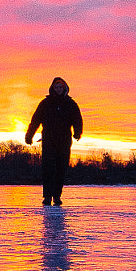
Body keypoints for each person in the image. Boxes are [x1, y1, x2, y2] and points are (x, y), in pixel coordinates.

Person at [24, 76, 83, 205]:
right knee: (48, 169)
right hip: (48, 140)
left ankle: (57, 196)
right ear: (52, 88)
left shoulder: (70, 104)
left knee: (61, 169)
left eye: (60, 87)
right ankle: (47, 196)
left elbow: (77, 119)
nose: (58, 89)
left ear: (64, 88)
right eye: (56, 87)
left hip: (64, 141)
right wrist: (29, 135)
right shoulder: (45, 103)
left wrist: (78, 132)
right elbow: (35, 120)